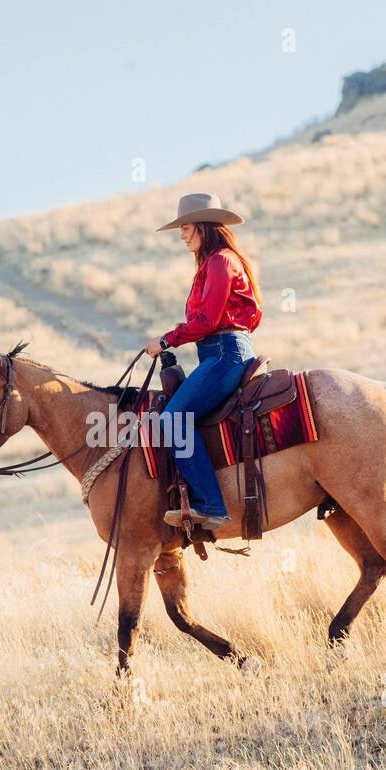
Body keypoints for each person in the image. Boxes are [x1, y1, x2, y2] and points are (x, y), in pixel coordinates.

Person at [144, 193, 263, 531]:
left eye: (185, 227)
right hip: (219, 352)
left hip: (226, 353)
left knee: (174, 418)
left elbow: (209, 320)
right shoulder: (216, 263)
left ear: (203, 226)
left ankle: (211, 505)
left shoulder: (220, 262)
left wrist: (167, 339)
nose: (181, 235)